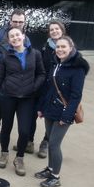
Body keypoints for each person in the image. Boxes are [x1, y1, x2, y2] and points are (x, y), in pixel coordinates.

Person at [0, 27, 45, 176]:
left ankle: (19, 158)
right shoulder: (5, 57)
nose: (15, 38)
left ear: (23, 36)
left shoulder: (35, 54)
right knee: (6, 128)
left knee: (25, 131)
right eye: (11, 36)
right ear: (9, 40)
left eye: (17, 35)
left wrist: (34, 86)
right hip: (8, 97)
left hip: (27, 98)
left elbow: (41, 74)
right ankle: (4, 153)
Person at [35, 36, 89, 187]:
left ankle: (55, 176)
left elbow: (76, 95)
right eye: (58, 47)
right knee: (50, 140)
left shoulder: (78, 68)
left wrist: (66, 116)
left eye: (63, 47)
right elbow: (48, 88)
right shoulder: (56, 63)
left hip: (63, 112)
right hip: (50, 109)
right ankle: (50, 168)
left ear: (71, 48)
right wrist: (41, 107)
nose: (60, 50)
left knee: (53, 144)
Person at [0, 9, 32, 142]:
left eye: (21, 22)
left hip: (17, 78)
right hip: (1, 74)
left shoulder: (26, 39)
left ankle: (3, 130)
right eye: (15, 21)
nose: (18, 24)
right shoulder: (0, 35)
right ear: (10, 21)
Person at [34, 20, 66, 159]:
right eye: (52, 29)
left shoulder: (67, 46)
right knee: (37, 112)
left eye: (57, 29)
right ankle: (29, 140)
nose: (54, 31)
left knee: (53, 117)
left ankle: (46, 142)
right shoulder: (46, 46)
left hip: (59, 88)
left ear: (62, 30)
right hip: (45, 85)